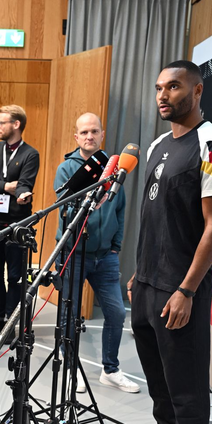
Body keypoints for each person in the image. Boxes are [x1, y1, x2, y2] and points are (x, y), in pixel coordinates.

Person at [124, 60, 212, 424]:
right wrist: (139, 271)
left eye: (174, 87)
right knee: (157, 375)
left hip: (180, 289)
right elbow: (154, 218)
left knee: (187, 383)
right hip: (148, 282)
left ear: (197, 90)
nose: (163, 95)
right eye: (158, 88)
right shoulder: (154, 145)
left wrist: (187, 290)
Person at [53, 113, 138, 395]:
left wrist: (115, 245)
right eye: (84, 132)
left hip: (105, 257)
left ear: (102, 134)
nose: (89, 136)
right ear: (76, 137)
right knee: (70, 314)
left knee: (115, 313)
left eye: (94, 131)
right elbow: (63, 207)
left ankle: (110, 370)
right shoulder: (67, 169)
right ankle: (70, 367)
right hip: (74, 252)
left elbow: (121, 209)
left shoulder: (115, 168)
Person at [0, 105, 39, 340]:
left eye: (1, 122)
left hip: (17, 226)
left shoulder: (30, 154)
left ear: (16, 124)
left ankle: (11, 322)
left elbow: (25, 183)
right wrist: (6, 186)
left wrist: (21, 191)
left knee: (15, 276)